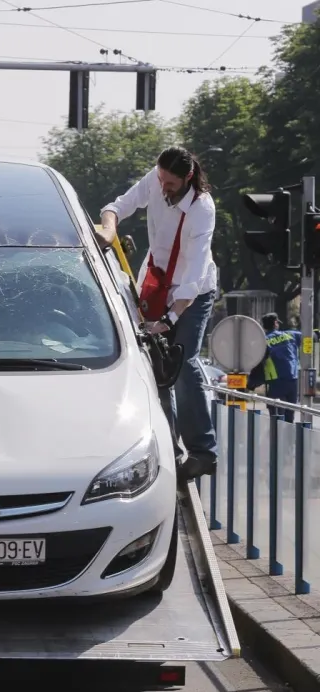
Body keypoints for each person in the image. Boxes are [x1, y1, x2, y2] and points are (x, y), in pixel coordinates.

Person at [97, 146, 218, 482]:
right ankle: (168, 448)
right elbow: (118, 206)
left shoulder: (201, 210)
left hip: (191, 293)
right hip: (158, 285)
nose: (162, 187)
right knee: (158, 368)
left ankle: (203, 452)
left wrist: (168, 321)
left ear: (188, 178)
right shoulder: (156, 179)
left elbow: (192, 279)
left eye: (170, 183)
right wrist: (108, 228)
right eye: (160, 179)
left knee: (182, 360)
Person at [247, 312, 301, 423]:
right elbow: (311, 336)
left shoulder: (262, 341)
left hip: (274, 383)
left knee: (276, 417)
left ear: (263, 326)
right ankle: (288, 438)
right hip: (292, 381)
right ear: (276, 323)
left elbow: (255, 362)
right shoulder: (290, 335)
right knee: (290, 416)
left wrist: (252, 382)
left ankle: (277, 439)